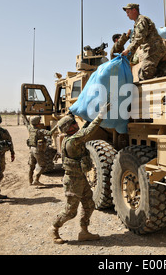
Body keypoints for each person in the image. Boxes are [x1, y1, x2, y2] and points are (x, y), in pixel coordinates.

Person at [49, 104, 109, 244]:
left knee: (89, 204)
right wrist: (100, 115)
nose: (77, 124)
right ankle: (53, 228)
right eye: (74, 123)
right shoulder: (72, 141)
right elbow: (88, 131)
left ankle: (84, 232)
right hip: (73, 181)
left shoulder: (73, 137)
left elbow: (85, 129)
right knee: (71, 211)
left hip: (80, 178)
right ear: (69, 128)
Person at [121, 3, 166, 81]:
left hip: (154, 49)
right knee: (142, 73)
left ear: (134, 10)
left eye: (128, 12)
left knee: (144, 75)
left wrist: (128, 50)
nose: (127, 15)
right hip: (150, 50)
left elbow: (139, 38)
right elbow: (134, 40)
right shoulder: (137, 23)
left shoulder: (141, 20)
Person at [26, 115, 56, 186]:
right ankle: (36, 180)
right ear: (38, 123)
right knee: (42, 165)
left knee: (31, 165)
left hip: (31, 149)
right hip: (37, 150)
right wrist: (56, 127)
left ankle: (30, 181)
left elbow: (27, 124)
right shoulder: (40, 131)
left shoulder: (30, 129)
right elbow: (50, 133)